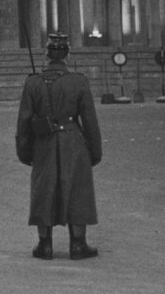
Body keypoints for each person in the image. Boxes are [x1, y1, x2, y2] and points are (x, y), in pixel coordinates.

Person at [15, 33, 102, 261]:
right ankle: (78, 244)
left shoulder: (33, 82)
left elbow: (24, 121)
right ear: (67, 55)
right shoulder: (79, 81)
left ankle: (45, 245)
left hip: (44, 143)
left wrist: (24, 152)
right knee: (77, 189)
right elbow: (89, 120)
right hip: (73, 141)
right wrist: (95, 151)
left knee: (44, 190)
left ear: (46, 55)